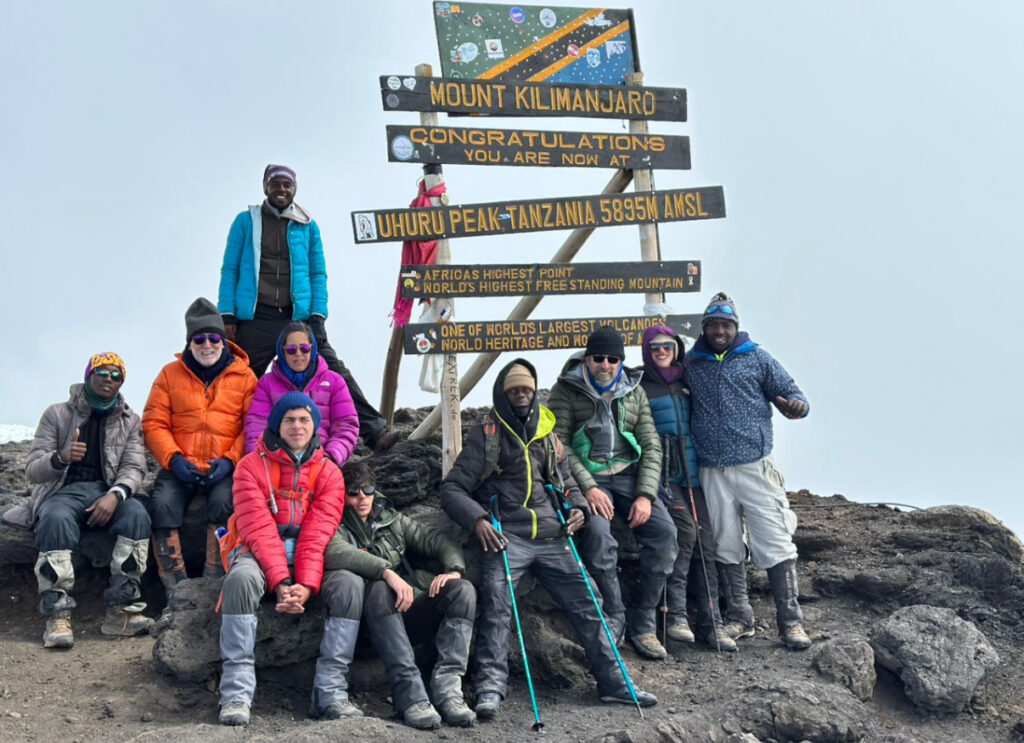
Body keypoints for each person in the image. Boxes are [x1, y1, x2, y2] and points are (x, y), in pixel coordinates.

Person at [441, 359, 657, 720]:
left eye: (526, 388)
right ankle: (490, 689)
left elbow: (567, 482)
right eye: (514, 390)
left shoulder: (548, 432)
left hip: (555, 536)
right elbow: (451, 489)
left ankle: (615, 683)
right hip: (507, 537)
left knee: (589, 601)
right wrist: (479, 521)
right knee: (496, 606)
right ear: (503, 394)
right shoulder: (487, 435)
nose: (522, 394)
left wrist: (578, 508)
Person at [217, 164, 398, 451]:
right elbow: (230, 269)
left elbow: (318, 273)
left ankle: (374, 431)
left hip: (297, 319)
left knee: (335, 370)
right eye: (275, 184)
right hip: (256, 316)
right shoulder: (245, 221)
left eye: (287, 185)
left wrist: (318, 315)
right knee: (237, 379)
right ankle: (224, 444)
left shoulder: (307, 226)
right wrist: (226, 314)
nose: (281, 190)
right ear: (265, 187)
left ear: (295, 189)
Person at [684, 292, 812, 650]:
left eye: (726, 325)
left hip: (755, 464)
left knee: (773, 538)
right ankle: (741, 617)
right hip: (711, 469)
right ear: (705, 328)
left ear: (735, 327)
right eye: (713, 325)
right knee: (724, 542)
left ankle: (791, 622)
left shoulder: (757, 358)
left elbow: (792, 393)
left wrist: (796, 407)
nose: (720, 330)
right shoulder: (692, 363)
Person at [2, 353, 152, 647]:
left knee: (137, 516)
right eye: (102, 372)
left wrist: (116, 495)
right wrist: (61, 458)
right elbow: (33, 471)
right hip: (63, 492)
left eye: (116, 376)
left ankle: (121, 611)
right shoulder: (57, 414)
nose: (109, 379)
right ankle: (57, 612)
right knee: (54, 518)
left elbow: (135, 467)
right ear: (88, 375)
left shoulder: (129, 421)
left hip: (108, 491)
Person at [217, 392, 348, 726]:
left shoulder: (330, 473)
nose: (297, 426)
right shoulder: (250, 466)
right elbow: (257, 529)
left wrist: (305, 584)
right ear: (276, 423)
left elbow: (318, 534)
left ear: (315, 425)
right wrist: (282, 583)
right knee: (241, 579)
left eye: (304, 419)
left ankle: (331, 692)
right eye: (289, 419)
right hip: (257, 552)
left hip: (310, 555)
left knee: (350, 585)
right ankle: (236, 692)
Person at [548, 327, 677, 660]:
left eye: (613, 359)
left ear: (621, 361)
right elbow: (558, 444)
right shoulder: (565, 390)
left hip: (630, 476)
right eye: (599, 358)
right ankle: (615, 614)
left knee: (665, 534)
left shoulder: (633, 390)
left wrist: (647, 495)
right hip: (589, 478)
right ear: (587, 359)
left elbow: (650, 445)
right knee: (599, 536)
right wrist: (587, 488)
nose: (605, 365)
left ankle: (644, 621)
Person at [321, 460, 476, 729]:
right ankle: (411, 697)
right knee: (380, 589)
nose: (362, 498)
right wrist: (385, 571)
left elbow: (437, 540)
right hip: (363, 626)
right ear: (341, 495)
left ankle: (449, 692)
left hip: (404, 615)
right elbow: (333, 551)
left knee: (462, 590)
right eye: (354, 492)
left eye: (368, 490)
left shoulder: (391, 519)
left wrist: (453, 570)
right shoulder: (333, 521)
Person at [142, 298, 257, 587]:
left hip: (223, 465)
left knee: (223, 502)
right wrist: (174, 459)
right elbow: (153, 422)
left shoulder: (245, 377)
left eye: (213, 337)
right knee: (162, 505)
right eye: (199, 338)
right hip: (180, 463)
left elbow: (253, 426)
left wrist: (231, 460)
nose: (207, 344)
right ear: (189, 342)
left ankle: (211, 579)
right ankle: (174, 585)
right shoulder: (169, 374)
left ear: (223, 339)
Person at [639, 325, 736, 653]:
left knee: (707, 542)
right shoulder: (639, 385)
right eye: (654, 347)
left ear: (678, 347)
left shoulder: (687, 381)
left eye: (668, 345)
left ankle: (712, 624)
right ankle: (676, 616)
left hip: (694, 475)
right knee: (685, 534)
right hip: (665, 476)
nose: (661, 351)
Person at [243, 321, 359, 468]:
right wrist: (260, 460)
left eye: (304, 348)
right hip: (278, 461)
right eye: (291, 349)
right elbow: (256, 425)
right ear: (281, 351)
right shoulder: (267, 383)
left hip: (323, 461)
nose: (298, 354)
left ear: (313, 349)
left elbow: (346, 425)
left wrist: (332, 457)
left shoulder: (335, 381)